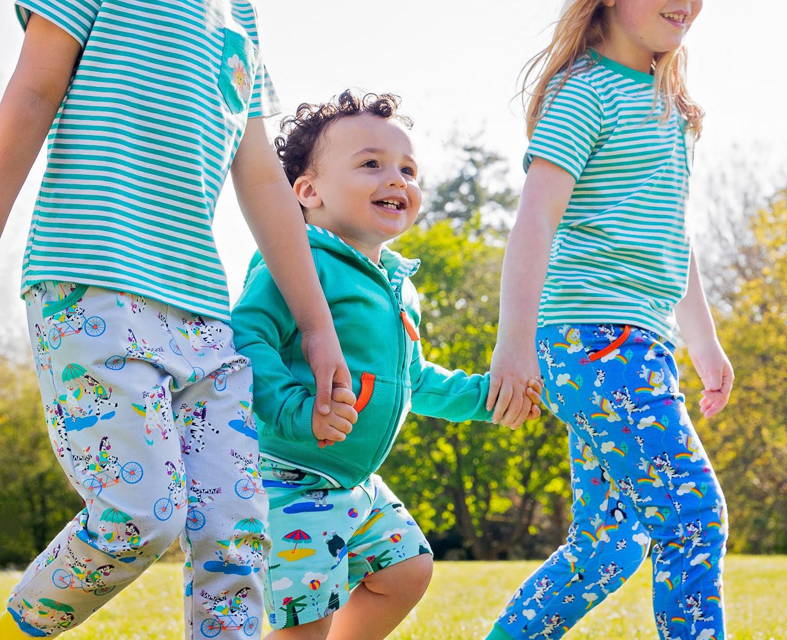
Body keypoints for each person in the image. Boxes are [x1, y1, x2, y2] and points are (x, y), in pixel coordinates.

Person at [0, 2, 352, 637]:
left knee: (235, 536)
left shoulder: (239, 16)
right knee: (139, 517)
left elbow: (264, 181)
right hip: (93, 284)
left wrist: (317, 326)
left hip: (203, 316)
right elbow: (31, 92)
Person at [231, 91, 540, 640]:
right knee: (307, 621)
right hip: (289, 478)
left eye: (408, 169)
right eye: (370, 164)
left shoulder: (400, 286)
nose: (396, 179)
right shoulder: (299, 262)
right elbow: (247, 336)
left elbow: (414, 381)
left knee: (407, 571)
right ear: (308, 191)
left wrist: (486, 397)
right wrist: (292, 410)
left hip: (356, 482)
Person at [484, 2, 732, 639]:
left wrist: (703, 343)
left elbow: (672, 237)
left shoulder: (669, 110)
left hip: (636, 342)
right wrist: (511, 344)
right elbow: (534, 221)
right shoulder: (586, 92)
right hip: (594, 338)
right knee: (692, 517)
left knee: (608, 547)